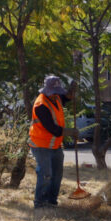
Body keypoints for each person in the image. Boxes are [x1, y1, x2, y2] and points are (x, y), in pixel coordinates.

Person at [28, 76, 78, 209]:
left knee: (57, 174)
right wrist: (70, 132)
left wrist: (71, 91)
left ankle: (51, 201)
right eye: (54, 91)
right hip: (40, 145)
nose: (56, 94)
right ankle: (40, 203)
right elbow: (53, 129)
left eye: (57, 91)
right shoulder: (41, 105)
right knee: (46, 174)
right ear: (47, 90)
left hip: (54, 145)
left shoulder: (55, 97)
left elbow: (66, 98)